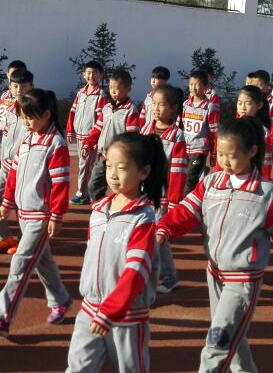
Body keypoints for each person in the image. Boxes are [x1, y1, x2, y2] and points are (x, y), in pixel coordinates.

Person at [157, 117, 273, 373]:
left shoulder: (266, 194)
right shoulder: (211, 183)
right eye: (221, 154)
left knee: (218, 342)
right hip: (214, 273)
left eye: (232, 156)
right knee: (231, 334)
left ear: (252, 151)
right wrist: (164, 230)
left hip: (243, 279)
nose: (224, 161)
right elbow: (187, 211)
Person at [0, 89, 73, 336]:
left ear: (47, 115)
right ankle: (60, 299)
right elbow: (13, 175)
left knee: (20, 263)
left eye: (30, 117)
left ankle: (1, 318)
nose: (26, 122)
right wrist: (7, 202)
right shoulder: (28, 140)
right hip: (24, 214)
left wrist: (56, 215)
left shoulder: (56, 145)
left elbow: (61, 185)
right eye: (23, 117)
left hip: (41, 216)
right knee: (43, 262)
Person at [65, 133, 164, 373]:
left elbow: (136, 272)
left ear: (143, 172)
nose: (113, 174)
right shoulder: (99, 211)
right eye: (109, 165)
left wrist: (111, 309)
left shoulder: (142, 219)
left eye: (122, 168)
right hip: (90, 310)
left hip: (126, 318)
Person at [140, 84, 187, 294]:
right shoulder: (145, 130)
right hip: (143, 193)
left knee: (159, 236)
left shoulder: (177, 136)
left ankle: (169, 275)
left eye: (161, 105)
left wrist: (174, 202)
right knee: (144, 232)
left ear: (173, 107)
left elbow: (178, 172)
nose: (156, 109)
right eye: (154, 104)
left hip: (162, 196)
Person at [0, 68, 32, 255]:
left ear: (31, 87)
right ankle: (3, 236)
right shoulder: (9, 108)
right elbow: (0, 124)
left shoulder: (33, 111)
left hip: (23, 168)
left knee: (21, 204)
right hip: (6, 166)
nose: (19, 90)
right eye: (15, 86)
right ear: (10, 87)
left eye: (23, 86)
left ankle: (26, 240)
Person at [83, 69, 142, 201]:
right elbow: (97, 129)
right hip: (104, 156)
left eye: (117, 88)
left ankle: (121, 208)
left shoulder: (131, 110)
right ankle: (100, 208)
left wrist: (127, 153)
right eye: (110, 87)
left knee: (120, 188)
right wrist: (88, 144)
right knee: (93, 185)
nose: (113, 91)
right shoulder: (107, 108)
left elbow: (132, 136)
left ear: (128, 89)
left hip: (120, 158)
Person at [66, 61, 107, 205]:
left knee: (85, 166)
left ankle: (83, 194)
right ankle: (89, 192)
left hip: (90, 138)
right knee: (84, 165)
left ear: (100, 75)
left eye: (95, 73)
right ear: (84, 75)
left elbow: (101, 118)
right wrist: (70, 130)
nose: (91, 76)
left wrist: (93, 139)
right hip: (79, 135)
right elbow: (73, 112)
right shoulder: (81, 93)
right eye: (89, 72)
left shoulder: (100, 95)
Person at [182, 70, 220, 192]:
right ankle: (201, 172)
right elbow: (179, 126)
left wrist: (213, 153)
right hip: (185, 147)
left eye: (197, 84)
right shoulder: (185, 105)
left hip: (199, 149)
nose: (193, 87)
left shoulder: (210, 107)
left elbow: (214, 132)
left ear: (206, 87)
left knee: (190, 179)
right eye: (191, 84)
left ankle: (187, 201)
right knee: (182, 176)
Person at [235, 85, 273, 180]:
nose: (243, 107)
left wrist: (264, 179)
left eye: (248, 104)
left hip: (253, 177)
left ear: (259, 105)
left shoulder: (262, 130)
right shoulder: (233, 126)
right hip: (235, 175)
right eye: (239, 103)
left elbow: (266, 159)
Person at [0, 59, 26, 145]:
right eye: (12, 75)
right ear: (7, 75)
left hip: (24, 140)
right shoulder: (5, 97)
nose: (15, 78)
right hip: (7, 139)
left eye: (18, 75)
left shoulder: (31, 97)